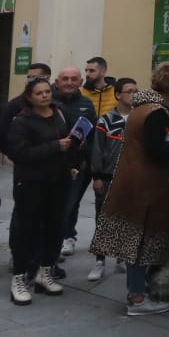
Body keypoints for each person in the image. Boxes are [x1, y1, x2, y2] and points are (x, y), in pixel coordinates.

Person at [89, 62, 169, 317]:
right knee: (139, 242)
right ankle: (137, 298)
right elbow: (155, 148)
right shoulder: (156, 111)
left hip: (134, 183)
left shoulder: (141, 107)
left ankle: (138, 292)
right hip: (146, 187)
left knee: (136, 239)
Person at [3, 77, 80, 304]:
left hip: (58, 181)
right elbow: (20, 153)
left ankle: (45, 272)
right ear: (30, 96)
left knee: (55, 228)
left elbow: (66, 144)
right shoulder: (21, 121)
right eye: (39, 93)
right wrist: (56, 146)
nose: (45, 96)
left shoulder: (59, 114)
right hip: (31, 183)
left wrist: (72, 156)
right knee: (27, 231)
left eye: (47, 92)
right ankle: (19, 276)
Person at [83, 76, 134, 285]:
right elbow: (97, 149)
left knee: (128, 218)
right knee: (103, 218)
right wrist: (97, 176)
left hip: (131, 178)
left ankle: (123, 256)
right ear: (118, 95)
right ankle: (100, 260)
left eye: (136, 90)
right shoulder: (106, 120)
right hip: (108, 176)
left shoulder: (140, 118)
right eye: (129, 91)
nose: (134, 94)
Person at [55, 64, 105, 260]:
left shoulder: (86, 103)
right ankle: (53, 241)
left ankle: (67, 236)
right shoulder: (47, 100)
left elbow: (92, 135)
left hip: (78, 165)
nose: (69, 83)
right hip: (52, 163)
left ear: (80, 82)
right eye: (65, 79)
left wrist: (89, 161)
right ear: (58, 82)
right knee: (56, 206)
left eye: (73, 79)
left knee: (71, 204)